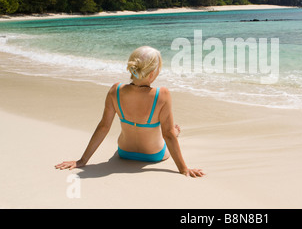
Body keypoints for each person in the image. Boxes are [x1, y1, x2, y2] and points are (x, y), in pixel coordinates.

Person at [55, 46, 204, 178]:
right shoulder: (162, 94)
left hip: (124, 152)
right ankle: (174, 134)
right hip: (154, 155)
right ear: (152, 74)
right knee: (171, 131)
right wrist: (184, 169)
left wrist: (82, 161)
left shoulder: (115, 90)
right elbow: (168, 135)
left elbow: (103, 127)